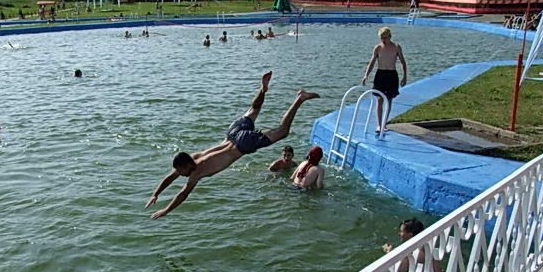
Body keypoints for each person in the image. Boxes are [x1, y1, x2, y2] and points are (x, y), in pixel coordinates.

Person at [145, 71, 319, 218]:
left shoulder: (195, 173)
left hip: (241, 144)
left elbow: (183, 194)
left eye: (181, 171)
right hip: (232, 134)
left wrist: (166, 210)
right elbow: (170, 176)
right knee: (254, 110)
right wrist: (156, 194)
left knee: (282, 131)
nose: (181, 175)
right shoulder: (193, 157)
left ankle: (300, 98)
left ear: (186, 165)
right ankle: (263, 89)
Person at [361, 27, 407, 133]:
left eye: (385, 38)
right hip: (380, 74)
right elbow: (372, 62)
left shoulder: (396, 47)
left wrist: (405, 77)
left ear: (390, 37)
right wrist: (366, 75)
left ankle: (384, 124)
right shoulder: (378, 48)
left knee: (389, 99)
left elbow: (403, 63)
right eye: (381, 38)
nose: (383, 40)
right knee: (379, 99)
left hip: (391, 74)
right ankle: (378, 124)